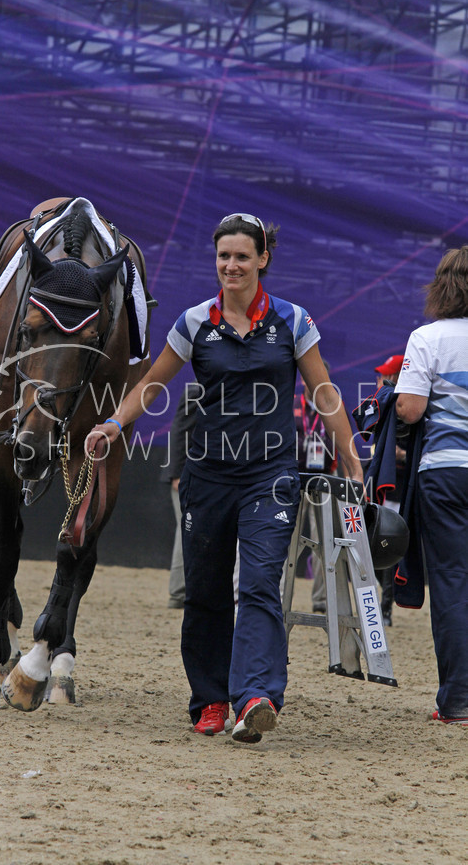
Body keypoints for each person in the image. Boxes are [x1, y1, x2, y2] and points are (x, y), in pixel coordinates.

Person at [85, 212, 363, 743]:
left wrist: (349, 453)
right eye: (223, 256)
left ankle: (256, 696)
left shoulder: (293, 321)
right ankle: (211, 699)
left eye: (241, 256)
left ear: (263, 259)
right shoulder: (194, 322)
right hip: (207, 476)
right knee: (206, 590)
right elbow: (151, 384)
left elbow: (324, 392)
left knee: (260, 584)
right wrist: (113, 423)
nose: (231, 265)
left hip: (271, 476)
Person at [395, 246, 468, 726]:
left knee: (452, 582)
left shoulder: (428, 337)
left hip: (445, 473)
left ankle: (459, 702)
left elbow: (410, 409)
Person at [293, 359, 338, 613]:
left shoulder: (332, 409)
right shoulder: (290, 407)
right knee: (286, 541)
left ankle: (321, 600)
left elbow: (340, 447)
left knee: (325, 542)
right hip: (293, 480)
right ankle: (276, 596)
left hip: (323, 481)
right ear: (303, 380)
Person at [161, 384, 201, 609]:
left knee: (189, 529)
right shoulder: (197, 390)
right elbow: (179, 431)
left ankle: (183, 590)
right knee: (186, 529)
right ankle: (178, 592)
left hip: (200, 475)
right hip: (187, 475)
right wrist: (177, 474)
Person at [373, 353, 406, 625]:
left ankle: (385, 608)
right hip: (378, 488)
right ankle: (377, 605)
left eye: (385, 374)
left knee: (388, 546)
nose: (380, 379)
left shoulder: (406, 408)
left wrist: (400, 454)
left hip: (396, 489)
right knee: (372, 546)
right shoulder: (384, 405)